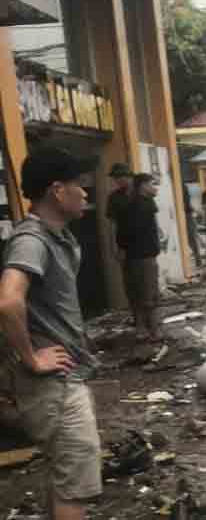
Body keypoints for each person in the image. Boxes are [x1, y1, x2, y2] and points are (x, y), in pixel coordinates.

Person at [0, 147, 101, 519]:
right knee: (75, 486)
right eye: (80, 185)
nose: (87, 193)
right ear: (58, 191)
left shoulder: (56, 238)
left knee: (64, 480)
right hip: (55, 385)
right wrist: (31, 358)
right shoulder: (33, 241)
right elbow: (8, 302)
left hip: (62, 381)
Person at [125, 174, 162, 342]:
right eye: (152, 184)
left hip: (140, 255)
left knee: (141, 294)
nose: (155, 188)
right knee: (149, 295)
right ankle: (154, 332)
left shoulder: (137, 203)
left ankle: (143, 330)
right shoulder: (142, 205)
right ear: (143, 186)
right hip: (143, 256)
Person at [106, 163, 133, 306]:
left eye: (118, 177)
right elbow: (112, 224)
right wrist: (114, 247)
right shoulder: (114, 198)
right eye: (115, 178)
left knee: (147, 282)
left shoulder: (140, 193)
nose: (116, 181)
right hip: (124, 246)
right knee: (129, 282)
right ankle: (137, 317)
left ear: (127, 176)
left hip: (144, 246)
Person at [182, 182, 202, 270]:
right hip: (187, 214)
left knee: (192, 239)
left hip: (186, 214)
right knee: (192, 238)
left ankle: (198, 260)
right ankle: (197, 260)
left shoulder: (182, 187)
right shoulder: (183, 186)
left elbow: (187, 203)